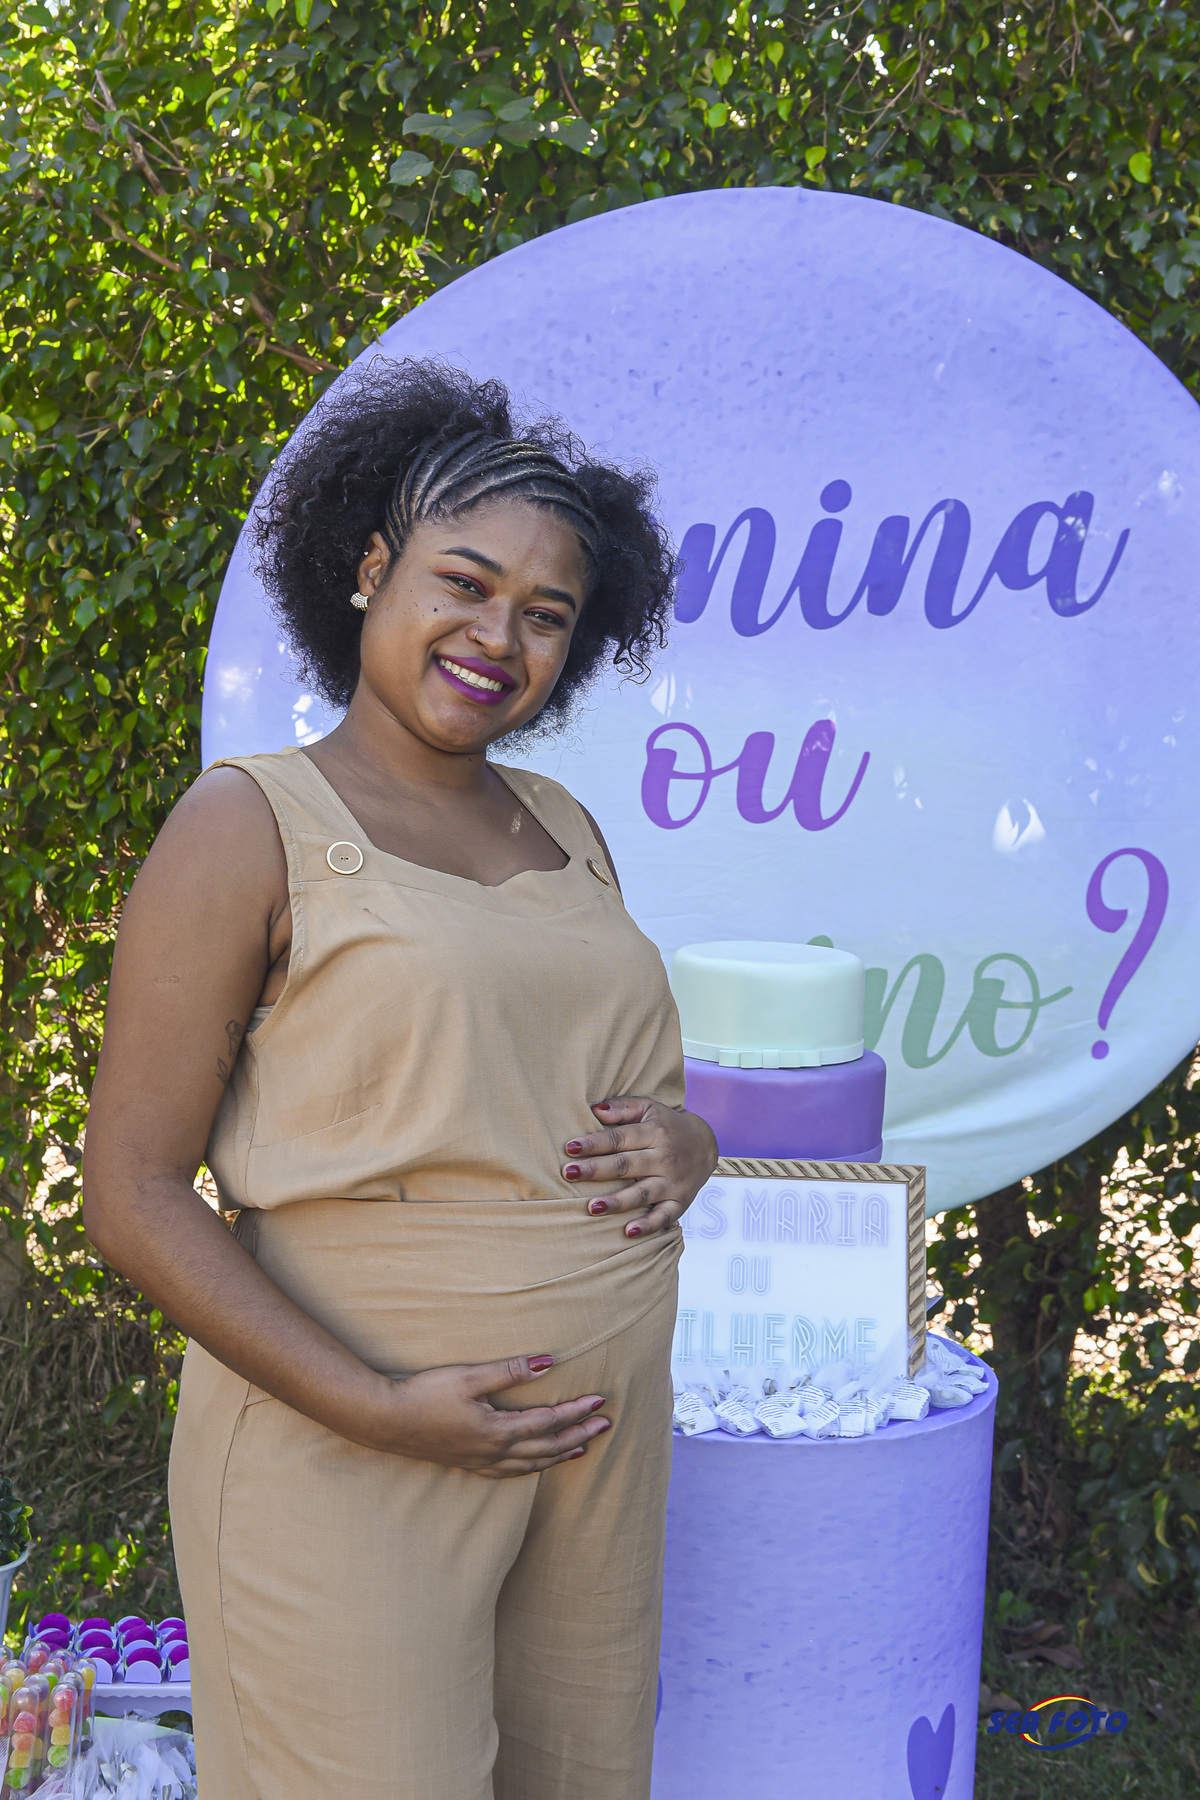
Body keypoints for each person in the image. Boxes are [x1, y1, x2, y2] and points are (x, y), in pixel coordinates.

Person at [83, 358, 718, 1800]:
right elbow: (128, 1195)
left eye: (546, 614)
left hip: (597, 1456)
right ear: (372, 570)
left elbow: (536, 1075)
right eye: (465, 583)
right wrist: (374, 1406)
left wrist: (687, 1143)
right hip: (347, 1447)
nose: (499, 636)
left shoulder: (564, 825)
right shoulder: (248, 822)